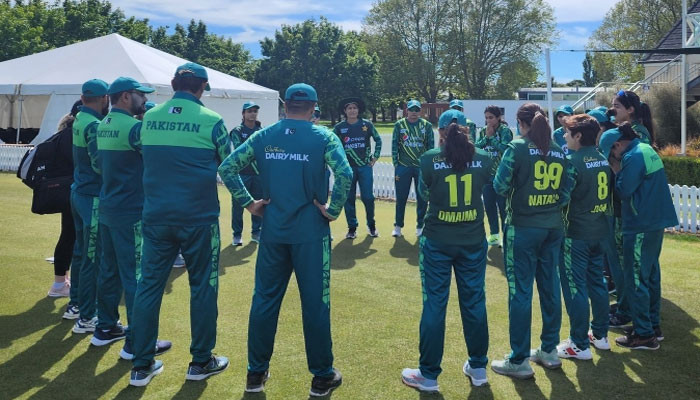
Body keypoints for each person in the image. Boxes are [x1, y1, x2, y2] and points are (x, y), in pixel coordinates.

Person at [218, 83, 352, 397]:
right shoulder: (323, 136)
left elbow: (227, 166)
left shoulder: (265, 135)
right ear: (314, 106)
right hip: (310, 233)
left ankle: (255, 373)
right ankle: (321, 376)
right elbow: (344, 175)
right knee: (316, 305)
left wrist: (250, 203)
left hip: (274, 231)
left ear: (286, 105)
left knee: (264, 301)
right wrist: (333, 210)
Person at [129, 62, 231, 386]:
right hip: (199, 218)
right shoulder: (213, 121)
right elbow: (228, 163)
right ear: (202, 88)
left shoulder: (148, 119)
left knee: (148, 287)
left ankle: (141, 365)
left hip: (156, 216)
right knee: (203, 287)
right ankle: (201, 361)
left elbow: (136, 146)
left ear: (173, 84)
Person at [401, 110, 493, 392]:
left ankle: (429, 375)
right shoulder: (485, 159)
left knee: (434, 305)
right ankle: (478, 367)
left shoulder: (429, 159)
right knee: (474, 302)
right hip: (473, 240)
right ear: (466, 129)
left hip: (438, 240)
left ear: (440, 131)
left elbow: (426, 195)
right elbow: (488, 185)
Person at [92, 77, 172, 359]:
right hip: (131, 211)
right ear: (126, 97)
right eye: (140, 95)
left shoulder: (102, 125)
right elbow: (156, 161)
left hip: (109, 207)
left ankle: (105, 327)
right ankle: (138, 342)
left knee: (109, 270)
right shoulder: (134, 128)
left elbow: (98, 165)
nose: (144, 99)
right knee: (137, 277)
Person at [490, 103, 571, 379]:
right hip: (552, 227)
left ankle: (519, 359)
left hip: (523, 228)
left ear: (519, 123)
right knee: (550, 287)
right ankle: (549, 350)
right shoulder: (559, 151)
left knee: (520, 292)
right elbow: (567, 191)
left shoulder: (516, 148)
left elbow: (499, 186)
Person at [599, 122, 677, 350]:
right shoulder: (645, 149)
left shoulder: (632, 157)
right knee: (650, 275)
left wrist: (615, 170)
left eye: (612, 153)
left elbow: (623, 191)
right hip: (654, 221)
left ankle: (644, 334)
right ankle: (652, 327)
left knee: (635, 279)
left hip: (640, 223)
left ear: (617, 144)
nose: (613, 158)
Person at [555, 114, 611, 360]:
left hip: (576, 233)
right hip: (599, 231)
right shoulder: (602, 159)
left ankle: (578, 344)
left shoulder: (572, 162)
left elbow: (562, 199)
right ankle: (600, 335)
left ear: (578, 136)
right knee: (597, 282)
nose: (565, 136)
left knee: (575, 287)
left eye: (567, 133)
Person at [69, 79, 110, 330]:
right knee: (91, 258)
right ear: (104, 98)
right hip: (91, 197)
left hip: (78, 192)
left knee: (80, 253)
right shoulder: (94, 124)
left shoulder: (79, 119)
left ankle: (75, 305)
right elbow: (99, 165)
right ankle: (86, 316)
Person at [47, 101, 81, 300]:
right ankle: (65, 284)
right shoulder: (75, 135)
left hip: (64, 192)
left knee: (68, 236)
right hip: (78, 191)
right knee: (75, 238)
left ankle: (60, 282)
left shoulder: (61, 135)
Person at [333, 97, 381, 238]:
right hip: (348, 168)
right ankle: (352, 228)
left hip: (364, 167)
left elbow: (377, 139)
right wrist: (338, 162)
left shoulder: (367, 124)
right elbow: (332, 145)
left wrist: (375, 156)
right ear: (345, 111)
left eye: (355, 108)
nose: (352, 111)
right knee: (349, 198)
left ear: (358, 110)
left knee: (368, 197)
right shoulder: (339, 128)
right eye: (349, 108)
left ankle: (371, 225)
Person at [392, 99, 434, 237]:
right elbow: (394, 145)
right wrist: (396, 164)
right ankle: (398, 226)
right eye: (411, 110)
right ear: (407, 111)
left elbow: (430, 147)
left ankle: (420, 226)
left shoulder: (426, 125)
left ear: (420, 111)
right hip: (403, 166)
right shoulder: (399, 125)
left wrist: (428, 165)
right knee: (401, 197)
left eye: (417, 110)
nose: (414, 113)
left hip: (420, 167)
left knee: (422, 198)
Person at [475, 105, 512, 246]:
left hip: (501, 175)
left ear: (498, 118)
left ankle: (506, 236)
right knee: (489, 206)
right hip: (486, 175)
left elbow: (505, 149)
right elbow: (477, 148)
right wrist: (487, 138)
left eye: (491, 117)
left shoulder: (505, 131)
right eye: (486, 118)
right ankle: (494, 235)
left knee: (503, 207)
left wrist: (492, 139)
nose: (488, 120)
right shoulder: (484, 131)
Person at [230, 101, 264, 246]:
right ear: (243, 113)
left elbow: (264, 151)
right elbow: (240, 151)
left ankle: (256, 232)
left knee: (258, 203)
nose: (253, 114)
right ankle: (237, 235)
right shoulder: (237, 130)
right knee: (238, 205)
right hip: (241, 174)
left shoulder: (261, 131)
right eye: (249, 111)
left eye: (255, 111)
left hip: (258, 175)